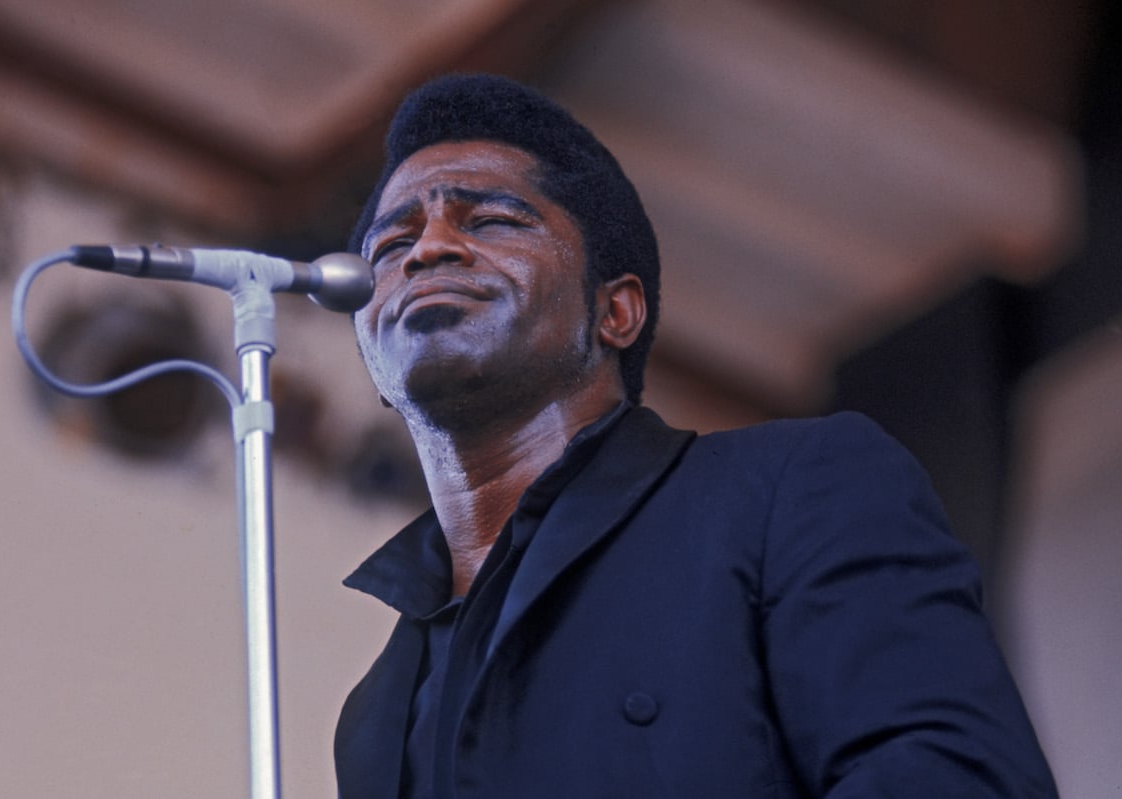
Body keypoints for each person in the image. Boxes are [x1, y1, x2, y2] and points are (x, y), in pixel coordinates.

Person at [334, 73, 1057, 798]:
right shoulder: (375, 710)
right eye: (392, 243)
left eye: (489, 220)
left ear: (615, 311)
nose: (426, 249)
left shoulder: (795, 488)